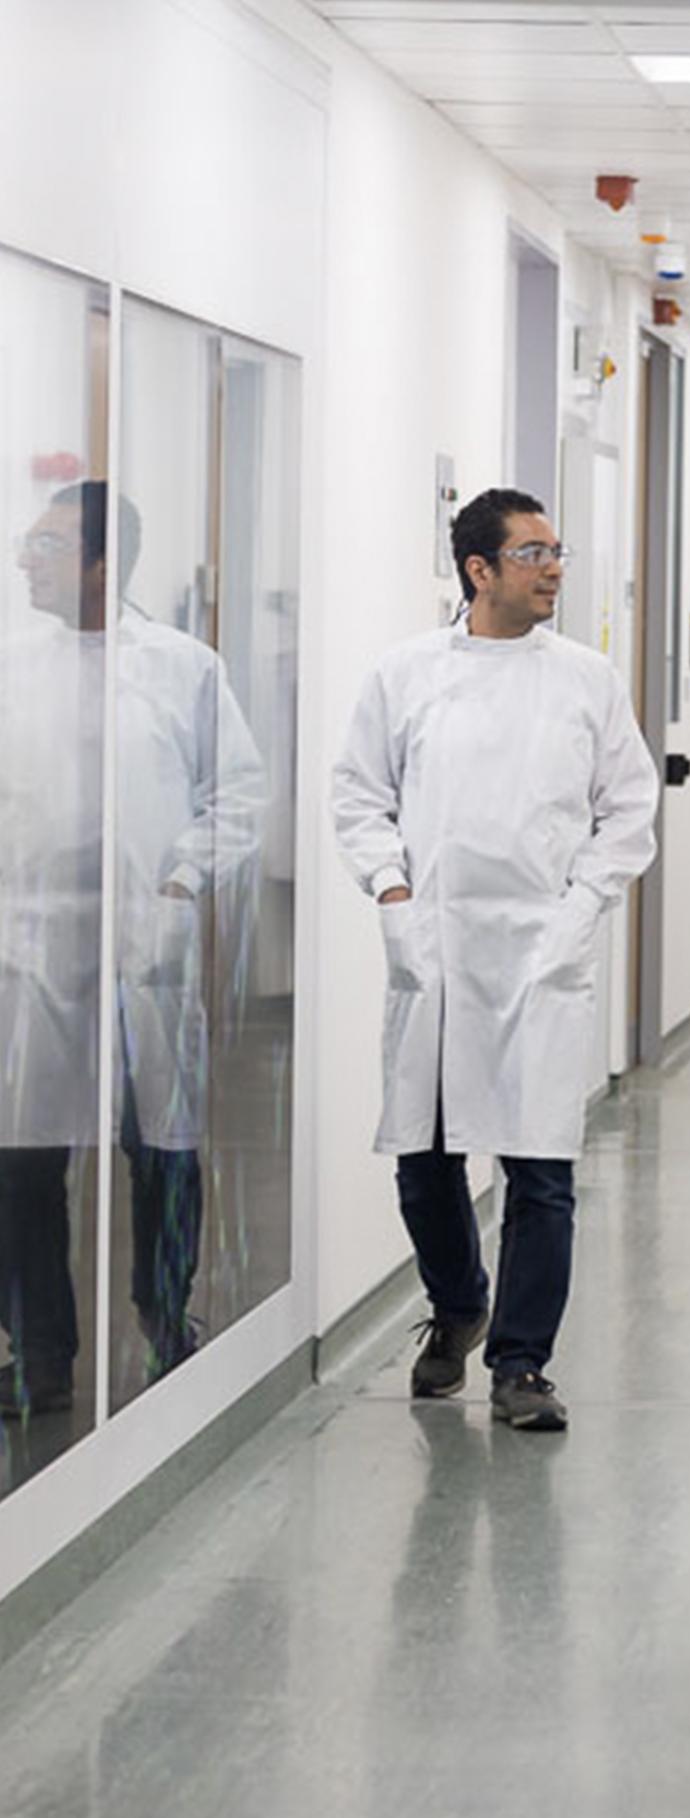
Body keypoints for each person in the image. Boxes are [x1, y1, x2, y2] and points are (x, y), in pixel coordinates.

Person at [332, 488, 658, 1431]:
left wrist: (582, 906)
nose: (554, 567)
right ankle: (459, 1301)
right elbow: (359, 794)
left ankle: (522, 1365)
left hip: (541, 949)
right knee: (426, 1163)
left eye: (557, 550)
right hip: (433, 950)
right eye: (532, 553)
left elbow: (627, 808)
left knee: (540, 1168)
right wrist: (391, 891)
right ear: (479, 571)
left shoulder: (588, 680)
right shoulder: (405, 674)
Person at [0, 482, 264, 1420]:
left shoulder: (180, 667)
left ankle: (166, 1320)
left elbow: (236, 791)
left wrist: (180, 885)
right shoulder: (11, 665)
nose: (26, 558)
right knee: (25, 1157)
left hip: (144, 950)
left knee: (162, 1151)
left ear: (105, 566)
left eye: (48, 544)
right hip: (33, 947)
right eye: (29, 541)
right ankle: (40, 1354)